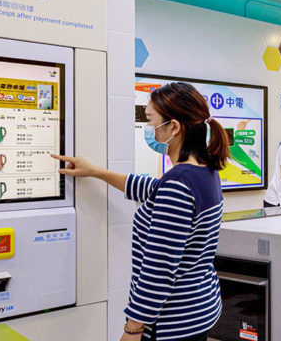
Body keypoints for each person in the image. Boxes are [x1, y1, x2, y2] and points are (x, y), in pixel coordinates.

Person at [52, 82, 227, 341]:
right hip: (201, 307)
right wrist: (96, 172)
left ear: (174, 127)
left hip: (172, 322)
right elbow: (152, 188)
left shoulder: (178, 183)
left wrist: (133, 327)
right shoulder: (204, 172)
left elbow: (159, 267)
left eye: (150, 120)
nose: (148, 128)